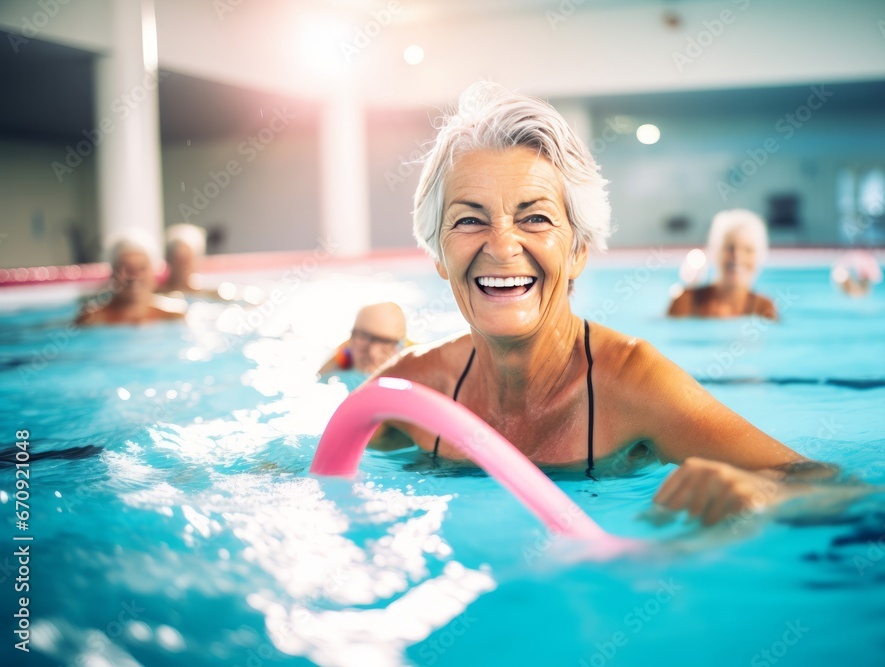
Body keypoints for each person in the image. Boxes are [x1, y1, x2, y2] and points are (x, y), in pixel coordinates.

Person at [362, 82, 838, 527]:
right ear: (438, 254)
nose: (502, 246)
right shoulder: (409, 391)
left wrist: (762, 494)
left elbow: (840, 489)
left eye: (536, 218)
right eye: (469, 220)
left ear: (578, 251)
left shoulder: (635, 385)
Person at [667, 209, 778, 320]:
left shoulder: (764, 307)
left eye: (748, 250)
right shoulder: (686, 301)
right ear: (715, 251)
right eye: (730, 248)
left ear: (759, 256)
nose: (737, 257)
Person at [76, 231, 187, 325]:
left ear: (153, 274)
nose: (134, 276)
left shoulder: (174, 316)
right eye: (126, 269)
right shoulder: (92, 319)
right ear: (113, 274)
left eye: (142, 268)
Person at [320, 302, 408, 375]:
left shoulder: (411, 358)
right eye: (364, 337)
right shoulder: (343, 357)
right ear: (351, 339)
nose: (373, 352)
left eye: (385, 342)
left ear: (401, 344)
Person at [159, 223, 208, 296]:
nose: (182, 269)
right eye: (178, 262)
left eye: (186, 263)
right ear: (169, 261)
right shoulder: (158, 294)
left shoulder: (203, 293)